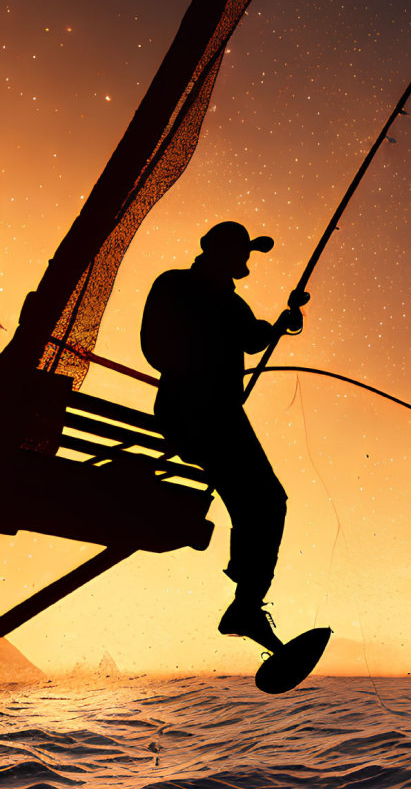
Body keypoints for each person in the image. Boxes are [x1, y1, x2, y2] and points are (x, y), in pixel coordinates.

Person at [140, 221, 307, 653]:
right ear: (219, 251)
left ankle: (246, 602)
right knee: (268, 501)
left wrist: (284, 322)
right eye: (242, 252)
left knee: (261, 503)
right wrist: (208, 364)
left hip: (210, 416)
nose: (246, 260)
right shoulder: (179, 286)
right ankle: (246, 606)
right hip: (204, 415)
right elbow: (156, 348)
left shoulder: (229, 302)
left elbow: (253, 340)